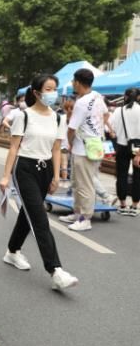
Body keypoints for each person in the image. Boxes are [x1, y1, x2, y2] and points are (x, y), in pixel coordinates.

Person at [0, 74, 78, 290]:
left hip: (45, 171)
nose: (53, 94)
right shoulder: (24, 116)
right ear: (36, 92)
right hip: (24, 169)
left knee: (28, 214)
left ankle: (12, 251)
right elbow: (14, 147)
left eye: (55, 89)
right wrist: (6, 176)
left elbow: (56, 148)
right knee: (40, 217)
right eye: (48, 89)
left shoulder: (59, 118)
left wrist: (57, 175)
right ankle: (56, 270)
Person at [59, 68, 109, 231]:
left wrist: (69, 143)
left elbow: (71, 128)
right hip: (94, 146)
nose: (73, 84)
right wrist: (97, 130)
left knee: (84, 185)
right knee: (77, 182)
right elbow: (106, 115)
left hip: (83, 149)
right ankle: (77, 213)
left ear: (78, 83)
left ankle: (85, 218)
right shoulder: (97, 97)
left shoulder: (81, 102)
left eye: (73, 81)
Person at [108, 87, 140, 216]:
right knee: (138, 176)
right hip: (138, 146)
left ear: (125, 97)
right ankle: (134, 206)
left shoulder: (118, 111)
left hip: (122, 145)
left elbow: (112, 129)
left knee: (121, 175)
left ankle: (122, 204)